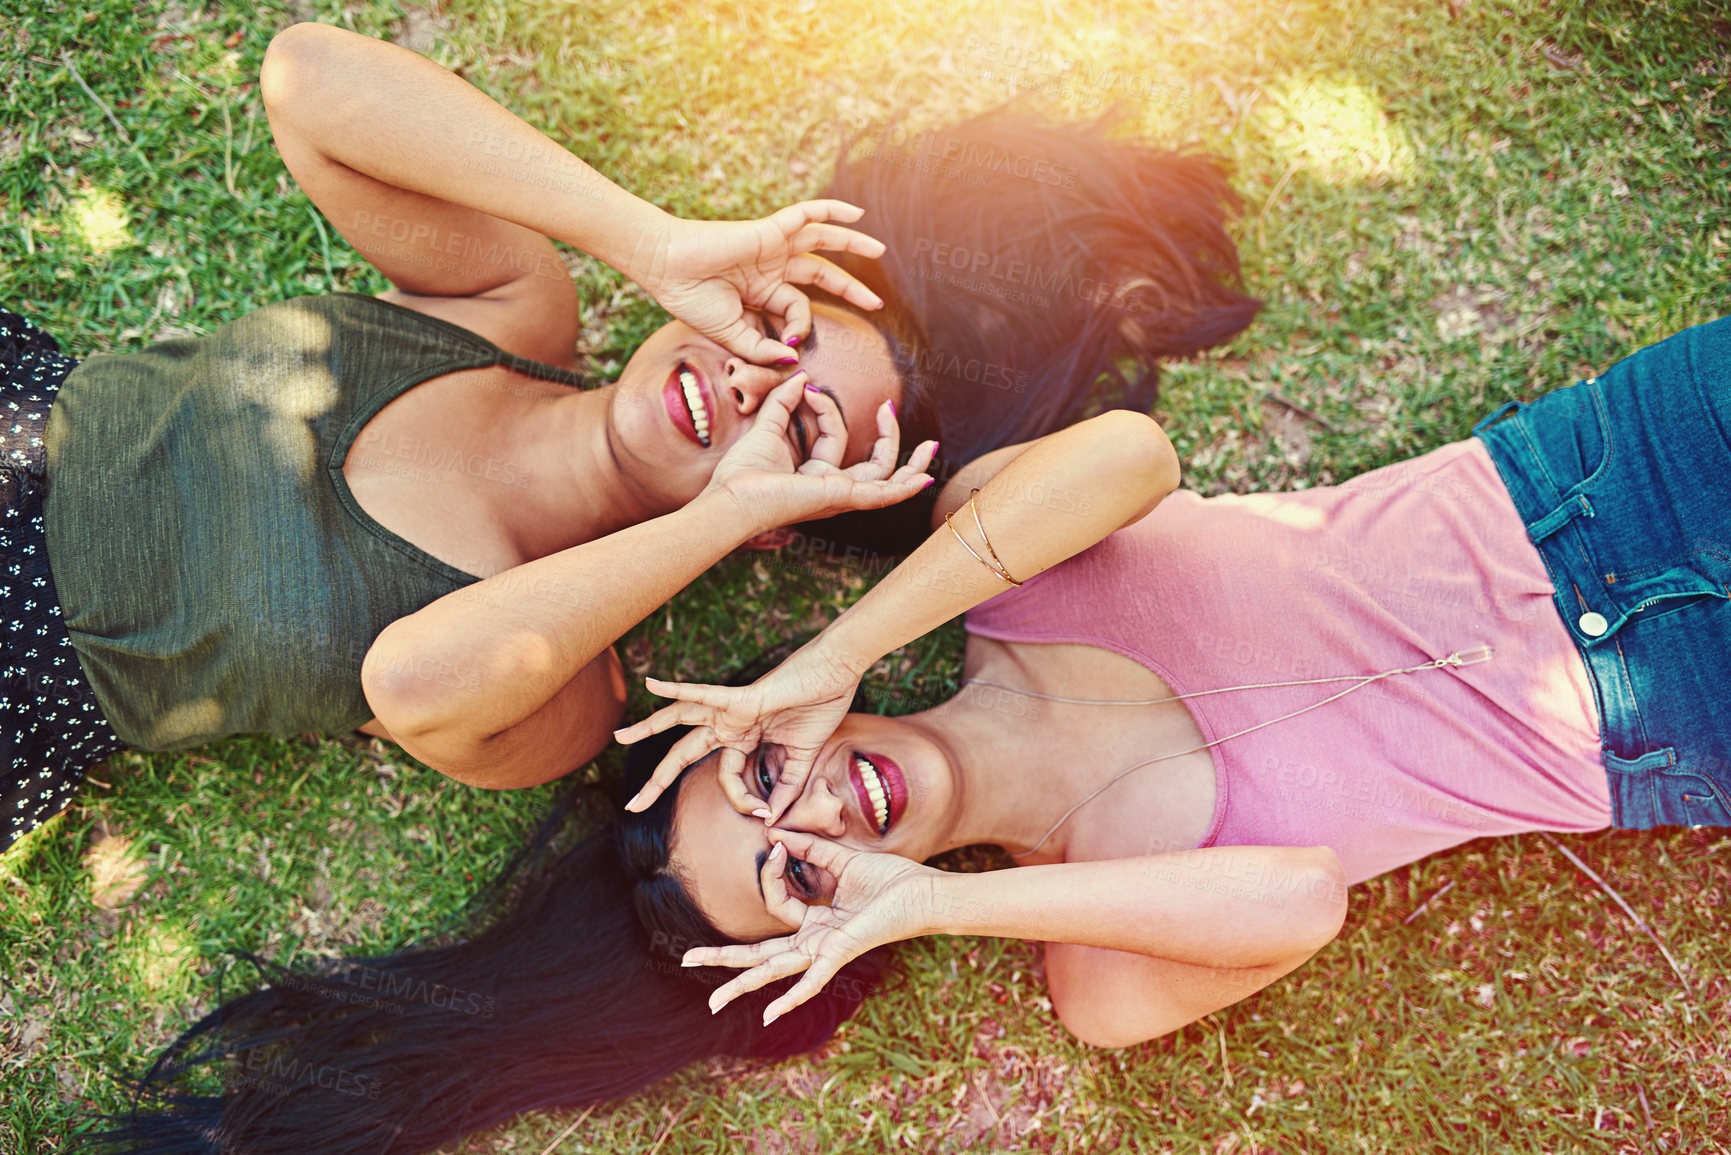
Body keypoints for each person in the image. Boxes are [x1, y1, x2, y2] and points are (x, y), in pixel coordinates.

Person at [105, 318, 1726, 1153]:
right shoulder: (1093, 956)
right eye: (806, 884)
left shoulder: (988, 563)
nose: (821, 820)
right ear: (852, 935)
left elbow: (1129, 458)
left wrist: (837, 642)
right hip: (1676, 726)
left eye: (759, 782)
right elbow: (1293, 898)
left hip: (1611, 464)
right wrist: (940, 902)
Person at [2, 21, 1263, 852]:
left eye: (800, 419)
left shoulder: (572, 684)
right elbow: (309, 78)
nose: (744, 383)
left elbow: (411, 686)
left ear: (808, 504)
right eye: (778, 332)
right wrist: (647, 239)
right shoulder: (505, 308)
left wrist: (724, 516)